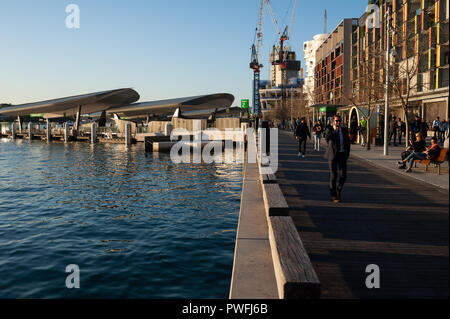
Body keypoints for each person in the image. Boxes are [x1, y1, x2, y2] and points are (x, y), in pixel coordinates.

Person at [324, 115, 351, 203]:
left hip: (342, 155)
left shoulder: (344, 130)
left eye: (339, 121)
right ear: (333, 122)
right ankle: (334, 194)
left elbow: (347, 142)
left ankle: (339, 189)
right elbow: (327, 138)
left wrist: (347, 154)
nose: (338, 123)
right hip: (332, 156)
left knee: (343, 175)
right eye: (336, 121)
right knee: (334, 175)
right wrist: (335, 131)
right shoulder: (329, 129)